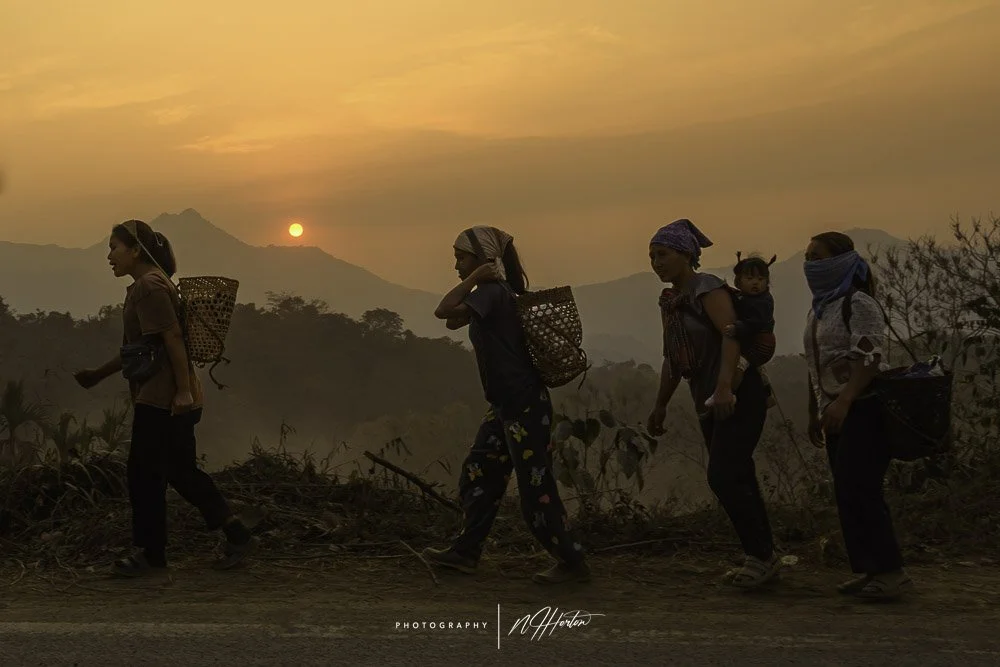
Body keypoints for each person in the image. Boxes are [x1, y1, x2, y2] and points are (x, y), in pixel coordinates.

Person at [74, 219, 256, 576]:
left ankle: (150, 555)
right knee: (180, 470)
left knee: (143, 473)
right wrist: (98, 375)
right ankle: (236, 533)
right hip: (174, 396)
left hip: (164, 399)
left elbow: (172, 337)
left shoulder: (148, 287)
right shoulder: (150, 286)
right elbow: (141, 350)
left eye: (114, 248)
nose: (110, 256)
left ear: (136, 250)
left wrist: (183, 390)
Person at [422, 225, 589, 585]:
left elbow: (442, 310)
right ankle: (466, 552)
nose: (455, 266)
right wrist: (475, 280)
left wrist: (478, 278)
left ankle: (571, 562)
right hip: (505, 406)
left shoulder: (493, 291)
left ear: (482, 259)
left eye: (461, 258)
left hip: (522, 404)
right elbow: (454, 321)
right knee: (479, 473)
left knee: (535, 488)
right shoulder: (491, 295)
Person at [646, 219, 779, 588]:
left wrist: (725, 388)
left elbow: (731, 336)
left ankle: (760, 556)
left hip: (737, 393)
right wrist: (661, 405)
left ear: (688, 255)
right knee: (738, 474)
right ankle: (763, 555)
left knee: (722, 475)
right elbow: (672, 358)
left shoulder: (708, 289)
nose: (656, 262)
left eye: (664, 254)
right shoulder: (671, 301)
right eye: (652, 256)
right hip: (706, 397)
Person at [804, 231, 911, 599]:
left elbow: (868, 358)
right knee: (847, 490)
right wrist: (815, 409)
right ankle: (870, 569)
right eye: (808, 257)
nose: (810, 264)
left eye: (817, 257)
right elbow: (816, 364)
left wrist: (845, 400)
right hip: (834, 409)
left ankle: (891, 571)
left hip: (864, 409)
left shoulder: (859, 303)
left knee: (861, 487)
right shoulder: (820, 308)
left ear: (839, 262)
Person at [721, 252, 778, 409]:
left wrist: (736, 328)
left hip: (759, 344)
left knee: (740, 364)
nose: (755, 283)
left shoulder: (762, 302)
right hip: (760, 342)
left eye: (760, 279)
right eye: (750, 279)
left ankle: (729, 394)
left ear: (767, 282)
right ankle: (767, 394)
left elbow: (755, 323)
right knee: (756, 366)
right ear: (739, 282)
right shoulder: (749, 297)